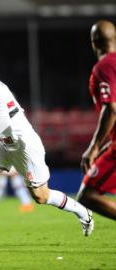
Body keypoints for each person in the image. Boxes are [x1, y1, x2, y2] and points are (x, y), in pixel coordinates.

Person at [0, 53, 94, 246]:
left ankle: (83, 211)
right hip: (4, 143)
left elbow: (3, 119)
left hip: (24, 144)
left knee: (41, 196)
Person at [77, 20, 116, 219]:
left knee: (87, 195)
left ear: (95, 42)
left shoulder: (104, 66)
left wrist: (93, 146)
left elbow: (112, 109)